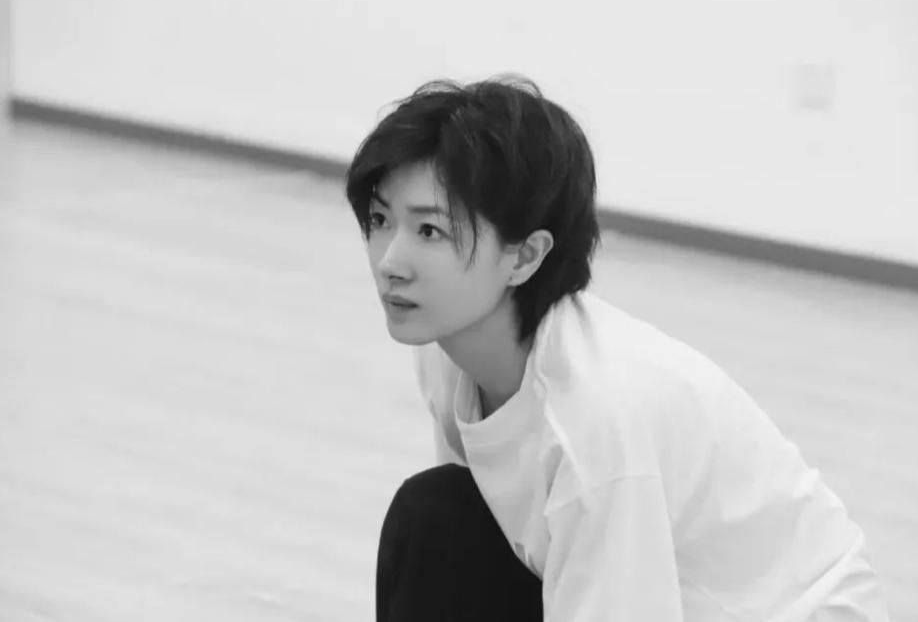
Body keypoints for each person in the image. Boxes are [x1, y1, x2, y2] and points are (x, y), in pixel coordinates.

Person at [345, 74, 890, 622]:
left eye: (430, 231)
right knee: (438, 516)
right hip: (652, 586)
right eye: (380, 220)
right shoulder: (448, 349)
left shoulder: (594, 422)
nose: (389, 261)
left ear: (525, 256)